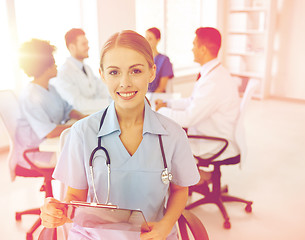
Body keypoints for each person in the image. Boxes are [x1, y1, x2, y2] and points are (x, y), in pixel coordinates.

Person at [40, 30, 200, 240]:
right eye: (114, 72)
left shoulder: (173, 135)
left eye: (135, 71)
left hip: (151, 236)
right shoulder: (82, 132)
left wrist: (165, 224)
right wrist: (57, 211)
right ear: (103, 74)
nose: (125, 82)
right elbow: (74, 197)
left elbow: (180, 190)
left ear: (151, 73)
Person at [155, 27, 241, 175]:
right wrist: (169, 104)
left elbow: (189, 118)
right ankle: (198, 177)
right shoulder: (214, 73)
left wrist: (160, 112)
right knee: (171, 135)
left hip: (214, 141)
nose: (192, 49)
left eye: (194, 44)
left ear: (202, 50)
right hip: (213, 131)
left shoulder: (213, 81)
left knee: (163, 144)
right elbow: (193, 101)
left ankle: (200, 178)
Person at [15, 39, 86, 173]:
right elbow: (50, 132)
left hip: (52, 146)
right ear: (44, 67)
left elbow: (67, 110)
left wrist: (82, 117)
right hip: (38, 153)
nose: (56, 66)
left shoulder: (50, 88)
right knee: (85, 158)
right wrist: (79, 125)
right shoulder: (30, 96)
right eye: (53, 63)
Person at [51, 28, 110, 115]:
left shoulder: (87, 69)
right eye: (84, 44)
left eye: (87, 43)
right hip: (78, 120)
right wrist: (110, 102)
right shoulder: (64, 73)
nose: (88, 47)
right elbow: (78, 104)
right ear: (72, 47)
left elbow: (102, 90)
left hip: (95, 113)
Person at [145, 27, 174, 93]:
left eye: (150, 39)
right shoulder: (142, 58)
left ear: (158, 40)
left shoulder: (164, 60)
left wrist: (149, 102)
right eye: (146, 38)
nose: (147, 41)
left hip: (155, 97)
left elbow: (161, 88)